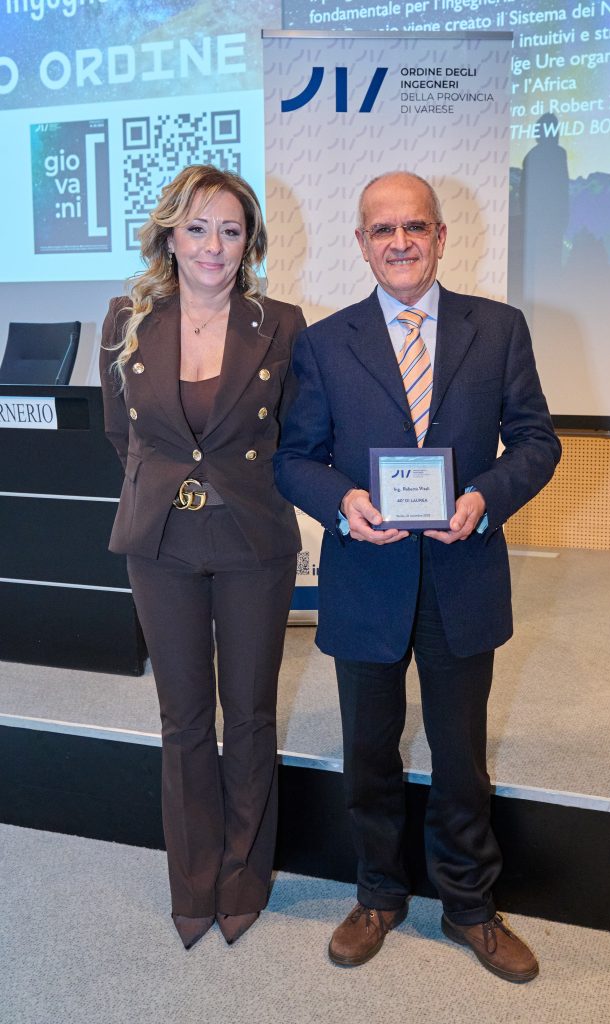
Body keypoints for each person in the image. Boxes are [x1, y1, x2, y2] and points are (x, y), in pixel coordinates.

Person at [274, 171, 561, 982]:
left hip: (463, 574)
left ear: (440, 236)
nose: (399, 242)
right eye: (383, 229)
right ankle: (377, 895)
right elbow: (294, 459)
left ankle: (469, 905)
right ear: (361, 243)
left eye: (415, 227)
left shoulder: (497, 329)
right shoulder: (325, 343)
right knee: (369, 753)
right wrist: (343, 503)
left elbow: (537, 441)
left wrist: (484, 498)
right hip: (366, 578)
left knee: (461, 756)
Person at [100, 164, 305, 950]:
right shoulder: (127, 319)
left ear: (249, 240)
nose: (213, 245)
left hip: (252, 539)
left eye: (229, 229)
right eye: (196, 228)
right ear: (170, 236)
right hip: (161, 541)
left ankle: (243, 877)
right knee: (182, 717)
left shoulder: (280, 322)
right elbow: (121, 432)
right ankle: (192, 882)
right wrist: (165, 490)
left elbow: (296, 434)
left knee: (249, 714)